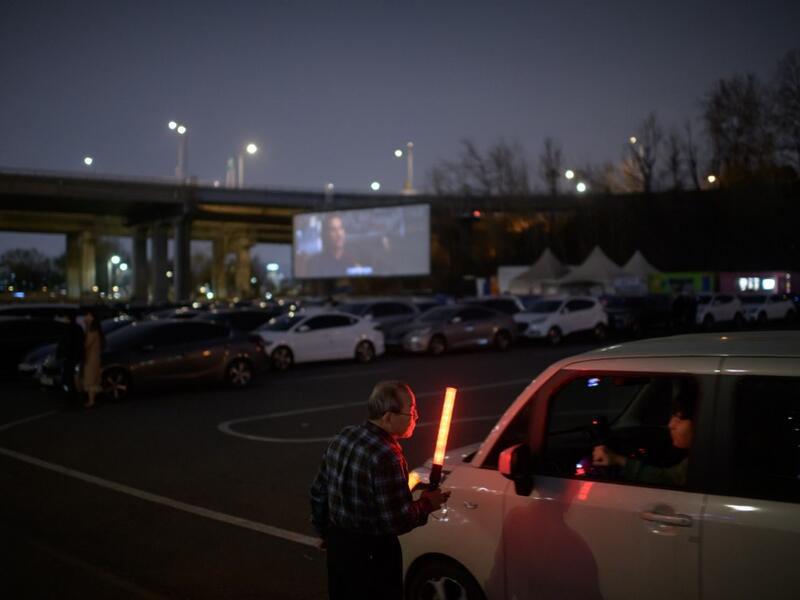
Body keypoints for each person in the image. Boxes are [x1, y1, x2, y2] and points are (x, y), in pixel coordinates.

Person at [310, 380, 450, 600]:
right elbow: (396, 520)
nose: (415, 417)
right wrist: (427, 503)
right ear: (388, 417)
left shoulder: (343, 436)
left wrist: (325, 532)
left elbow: (319, 491)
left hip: (339, 545)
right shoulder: (386, 455)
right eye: (411, 411)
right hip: (372, 556)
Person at [593, 383, 696, 486]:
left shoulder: (702, 461)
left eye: (679, 420)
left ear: (700, 422)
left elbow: (668, 479)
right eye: (673, 417)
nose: (670, 425)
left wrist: (617, 459)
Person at [55, 312, 84, 402]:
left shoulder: (67, 328)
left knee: (68, 376)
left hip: (69, 357)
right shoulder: (78, 328)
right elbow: (80, 343)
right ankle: (73, 393)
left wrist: (59, 354)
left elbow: (63, 342)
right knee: (72, 376)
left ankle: (70, 394)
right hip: (74, 356)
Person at [81, 309, 105, 409]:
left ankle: (91, 401)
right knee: (92, 379)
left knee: (90, 379)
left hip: (92, 359)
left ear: (92, 318)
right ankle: (91, 400)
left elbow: (87, 344)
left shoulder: (93, 330)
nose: (85, 317)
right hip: (93, 358)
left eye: (88, 315)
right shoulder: (93, 329)